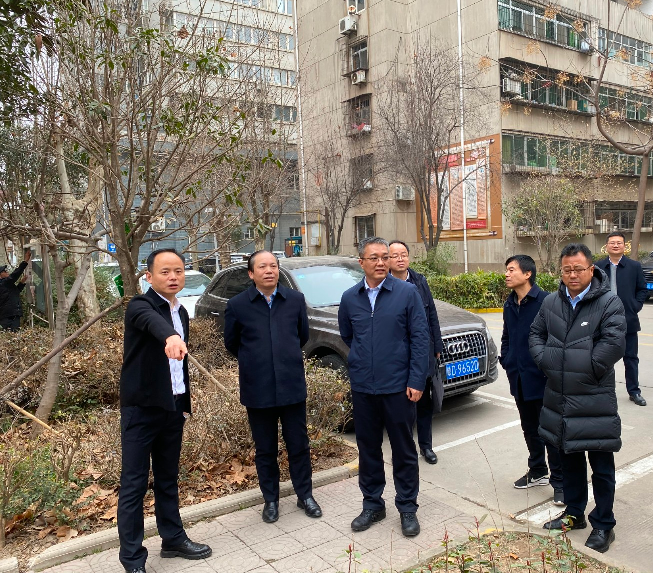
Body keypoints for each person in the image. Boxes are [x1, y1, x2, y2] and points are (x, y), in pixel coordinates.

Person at [118, 249, 211, 573]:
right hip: (141, 410)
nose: (173, 277)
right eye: (165, 272)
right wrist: (170, 336)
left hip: (172, 407)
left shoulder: (180, 311)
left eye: (178, 271)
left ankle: (172, 539)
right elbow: (152, 323)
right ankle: (132, 559)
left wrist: (182, 406)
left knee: (168, 478)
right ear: (149, 276)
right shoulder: (139, 305)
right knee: (133, 484)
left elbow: (177, 367)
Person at [529, 243, 626, 554]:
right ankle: (574, 513)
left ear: (591, 270)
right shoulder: (551, 302)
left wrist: (588, 368)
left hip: (593, 396)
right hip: (559, 396)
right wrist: (547, 361)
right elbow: (536, 334)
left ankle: (604, 524)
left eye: (578, 269)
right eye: (567, 269)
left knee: (601, 465)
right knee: (569, 459)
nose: (572, 275)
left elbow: (614, 343)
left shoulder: (608, 302)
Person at [338, 237, 430, 538]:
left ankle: (407, 507)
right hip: (364, 387)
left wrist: (416, 380)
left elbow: (420, 338)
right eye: (374, 257)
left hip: (398, 387)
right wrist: (364, 360)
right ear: (361, 262)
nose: (381, 262)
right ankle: (373, 504)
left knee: (403, 450)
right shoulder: (350, 298)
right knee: (368, 449)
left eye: (384, 257)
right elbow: (349, 336)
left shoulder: (407, 293)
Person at [224, 250, 321, 524]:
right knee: (265, 449)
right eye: (262, 267)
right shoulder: (238, 305)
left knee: (299, 445)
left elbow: (302, 336)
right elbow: (232, 343)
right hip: (258, 388)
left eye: (273, 266)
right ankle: (271, 500)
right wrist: (258, 360)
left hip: (291, 386)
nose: (269, 271)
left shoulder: (295, 300)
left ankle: (305, 495)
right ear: (251, 273)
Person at [499, 255, 563, 505]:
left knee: (550, 432)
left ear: (527, 274)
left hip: (542, 378)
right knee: (529, 428)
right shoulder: (510, 303)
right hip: (518, 377)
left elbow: (557, 339)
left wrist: (547, 367)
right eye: (506, 270)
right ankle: (537, 470)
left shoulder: (547, 301)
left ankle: (560, 482)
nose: (507, 274)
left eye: (511, 270)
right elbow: (507, 336)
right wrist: (507, 359)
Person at [388, 240, 444, 465]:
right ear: (388, 260)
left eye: (403, 254)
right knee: (402, 405)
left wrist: (437, 346)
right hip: (398, 354)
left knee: (424, 403)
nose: (400, 259)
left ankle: (426, 446)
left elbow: (432, 315)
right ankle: (405, 447)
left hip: (423, 351)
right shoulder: (384, 285)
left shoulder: (420, 281)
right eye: (395, 255)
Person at [595, 233, 648, 407]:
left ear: (625, 246)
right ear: (606, 246)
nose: (616, 245)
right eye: (612, 243)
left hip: (628, 319)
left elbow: (642, 290)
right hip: (603, 320)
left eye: (619, 243)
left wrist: (635, 306)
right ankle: (601, 391)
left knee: (631, 358)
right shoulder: (598, 267)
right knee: (602, 358)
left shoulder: (634, 266)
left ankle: (634, 391)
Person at [0, 250, 32, 331]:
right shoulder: (3, 283)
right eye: (4, 271)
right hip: (9, 317)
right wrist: (25, 261)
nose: (7, 272)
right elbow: (14, 275)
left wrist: (21, 283)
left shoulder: (6, 284)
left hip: (11, 315)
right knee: (11, 334)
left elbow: (15, 292)